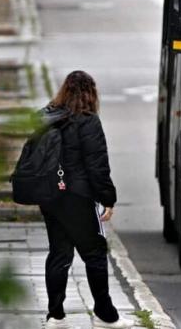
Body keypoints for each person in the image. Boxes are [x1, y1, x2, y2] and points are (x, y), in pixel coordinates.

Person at [40, 71, 133, 329]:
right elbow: (97, 166)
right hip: (78, 197)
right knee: (94, 253)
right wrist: (108, 199)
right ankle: (105, 314)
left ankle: (55, 315)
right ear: (91, 93)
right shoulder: (88, 122)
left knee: (59, 254)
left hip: (50, 197)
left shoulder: (48, 116)